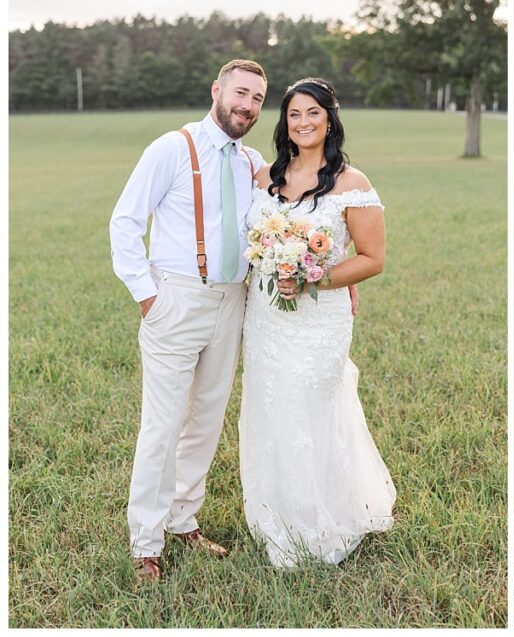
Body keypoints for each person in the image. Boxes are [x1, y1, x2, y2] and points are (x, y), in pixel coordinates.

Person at [110, 59, 269, 582]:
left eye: (257, 100)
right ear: (216, 90)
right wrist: (147, 296)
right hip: (175, 299)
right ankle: (146, 542)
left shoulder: (253, 162)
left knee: (205, 419)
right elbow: (125, 222)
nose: (247, 106)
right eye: (241, 93)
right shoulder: (171, 148)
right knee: (162, 425)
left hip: (233, 301)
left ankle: (183, 520)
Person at [239, 76, 395, 567]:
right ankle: (277, 514)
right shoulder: (264, 176)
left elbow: (372, 258)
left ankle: (322, 517)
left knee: (309, 404)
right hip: (266, 316)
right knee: (271, 407)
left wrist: (316, 279)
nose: (303, 122)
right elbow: (251, 243)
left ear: (331, 119)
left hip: (319, 319)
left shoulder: (353, 184)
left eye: (313, 113)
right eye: (293, 114)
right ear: (284, 123)